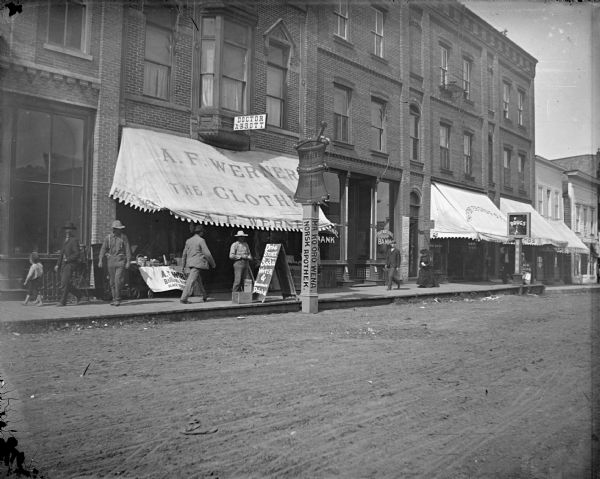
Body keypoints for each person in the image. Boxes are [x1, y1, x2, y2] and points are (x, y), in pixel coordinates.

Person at [98, 220, 131, 306]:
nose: (119, 230)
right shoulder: (108, 238)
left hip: (120, 261)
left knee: (118, 280)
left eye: (120, 229)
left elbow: (127, 249)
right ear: (114, 229)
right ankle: (114, 298)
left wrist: (128, 261)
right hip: (111, 262)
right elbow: (103, 249)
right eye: (117, 229)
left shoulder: (124, 237)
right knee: (112, 282)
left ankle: (118, 299)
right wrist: (100, 260)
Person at [180, 224, 216, 304]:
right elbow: (207, 254)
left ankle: (204, 295)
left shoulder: (188, 241)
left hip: (190, 263)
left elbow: (184, 254)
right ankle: (184, 298)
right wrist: (213, 264)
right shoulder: (201, 240)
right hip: (198, 264)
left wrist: (183, 265)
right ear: (201, 232)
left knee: (198, 280)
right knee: (191, 281)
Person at [55, 221, 83, 306]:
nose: (67, 231)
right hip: (64, 264)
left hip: (71, 264)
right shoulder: (65, 240)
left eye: (69, 229)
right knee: (65, 283)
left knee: (64, 283)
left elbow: (77, 253)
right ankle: (79, 294)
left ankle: (62, 302)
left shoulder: (74, 240)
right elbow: (61, 254)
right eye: (66, 229)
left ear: (72, 230)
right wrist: (57, 264)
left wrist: (68, 259)